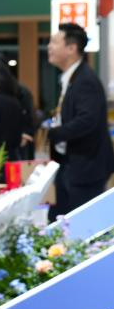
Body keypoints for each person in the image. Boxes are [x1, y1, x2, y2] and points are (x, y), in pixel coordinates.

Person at [46, 23, 114, 220]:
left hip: (86, 167)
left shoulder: (85, 80)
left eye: (54, 42)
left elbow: (87, 121)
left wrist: (54, 133)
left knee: (83, 225)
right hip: (72, 164)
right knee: (62, 221)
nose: (49, 47)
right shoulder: (72, 78)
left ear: (71, 48)